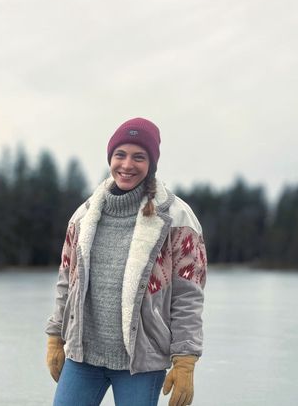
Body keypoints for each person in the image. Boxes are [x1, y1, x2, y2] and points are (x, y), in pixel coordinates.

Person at [45, 118, 207, 406]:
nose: (127, 164)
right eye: (120, 154)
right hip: (83, 356)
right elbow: (65, 281)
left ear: (152, 163)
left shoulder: (177, 219)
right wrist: (55, 336)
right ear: (110, 158)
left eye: (139, 157)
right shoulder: (84, 216)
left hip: (141, 363)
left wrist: (185, 359)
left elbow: (188, 296)